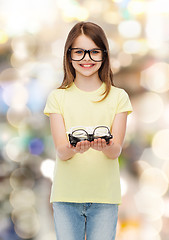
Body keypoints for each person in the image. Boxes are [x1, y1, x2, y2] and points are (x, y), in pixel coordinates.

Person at [44, 21, 132, 240]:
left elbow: (115, 151)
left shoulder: (118, 97)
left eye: (94, 52)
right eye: (80, 52)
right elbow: (62, 152)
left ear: (104, 55)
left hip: (105, 198)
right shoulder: (58, 97)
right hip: (66, 197)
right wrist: (75, 149)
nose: (87, 59)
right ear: (69, 55)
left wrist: (106, 145)